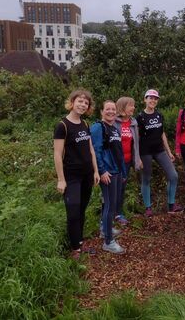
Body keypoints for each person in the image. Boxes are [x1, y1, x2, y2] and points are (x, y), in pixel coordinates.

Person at [53, 89, 100, 260]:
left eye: (86, 103)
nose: (82, 104)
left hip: (87, 174)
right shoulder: (62, 126)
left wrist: (95, 170)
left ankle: (79, 243)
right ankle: (74, 249)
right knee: (72, 211)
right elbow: (57, 154)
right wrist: (61, 179)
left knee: (81, 210)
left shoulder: (85, 124)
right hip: (71, 176)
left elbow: (90, 149)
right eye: (80, 101)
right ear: (72, 102)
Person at [136, 89, 182, 216]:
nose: (153, 100)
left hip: (159, 150)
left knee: (173, 175)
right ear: (145, 99)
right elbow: (137, 138)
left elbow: (162, 134)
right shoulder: (139, 117)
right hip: (145, 152)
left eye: (155, 98)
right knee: (146, 179)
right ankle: (148, 208)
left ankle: (171, 205)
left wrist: (169, 152)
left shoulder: (159, 115)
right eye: (150, 98)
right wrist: (137, 157)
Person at [91, 100, 127, 254]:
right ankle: (108, 242)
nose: (111, 112)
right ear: (102, 111)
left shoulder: (114, 129)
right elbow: (95, 150)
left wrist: (123, 171)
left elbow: (118, 152)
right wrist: (101, 171)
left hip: (117, 171)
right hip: (107, 172)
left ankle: (104, 228)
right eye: (108, 109)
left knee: (110, 203)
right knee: (110, 205)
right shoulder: (99, 127)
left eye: (113, 109)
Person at [114, 97, 142, 225]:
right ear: (123, 107)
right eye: (131, 105)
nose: (133, 108)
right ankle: (111, 214)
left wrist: (137, 159)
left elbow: (136, 143)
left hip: (127, 161)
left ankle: (118, 213)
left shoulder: (133, 122)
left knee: (122, 187)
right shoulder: (114, 122)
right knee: (114, 188)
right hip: (115, 162)